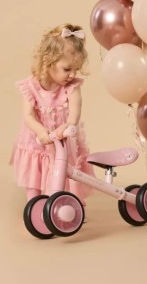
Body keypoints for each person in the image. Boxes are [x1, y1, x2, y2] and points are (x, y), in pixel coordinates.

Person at [10, 23, 94, 203]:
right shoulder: (31, 87)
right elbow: (28, 115)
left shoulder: (72, 87)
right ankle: (34, 203)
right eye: (67, 69)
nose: (72, 75)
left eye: (76, 69)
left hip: (62, 139)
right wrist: (40, 131)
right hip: (37, 139)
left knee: (65, 170)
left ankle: (68, 203)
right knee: (35, 170)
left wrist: (69, 125)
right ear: (48, 62)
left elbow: (75, 112)